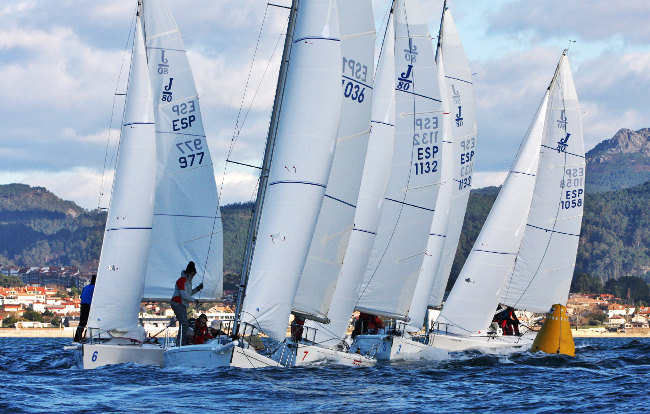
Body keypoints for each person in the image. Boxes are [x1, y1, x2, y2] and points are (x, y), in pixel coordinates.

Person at [171, 261, 204, 346]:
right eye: (193, 274)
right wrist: (194, 300)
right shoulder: (182, 280)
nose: (193, 276)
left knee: (184, 323)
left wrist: (198, 289)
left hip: (182, 304)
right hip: (177, 303)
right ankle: (180, 343)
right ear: (188, 273)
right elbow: (183, 294)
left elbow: (188, 294)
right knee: (184, 323)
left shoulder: (188, 282)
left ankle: (181, 342)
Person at [74, 274, 96, 342]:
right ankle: (85, 336)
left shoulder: (85, 287)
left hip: (83, 305)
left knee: (82, 322)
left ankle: (77, 338)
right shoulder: (95, 288)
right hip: (89, 305)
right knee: (91, 321)